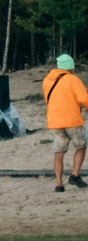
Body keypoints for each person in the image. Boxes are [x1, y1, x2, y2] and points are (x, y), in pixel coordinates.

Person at [43, 54, 87, 194]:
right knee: (81, 146)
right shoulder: (73, 79)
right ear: (70, 67)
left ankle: (59, 185)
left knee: (59, 152)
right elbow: (84, 99)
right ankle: (75, 175)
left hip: (54, 121)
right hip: (72, 120)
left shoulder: (47, 80)